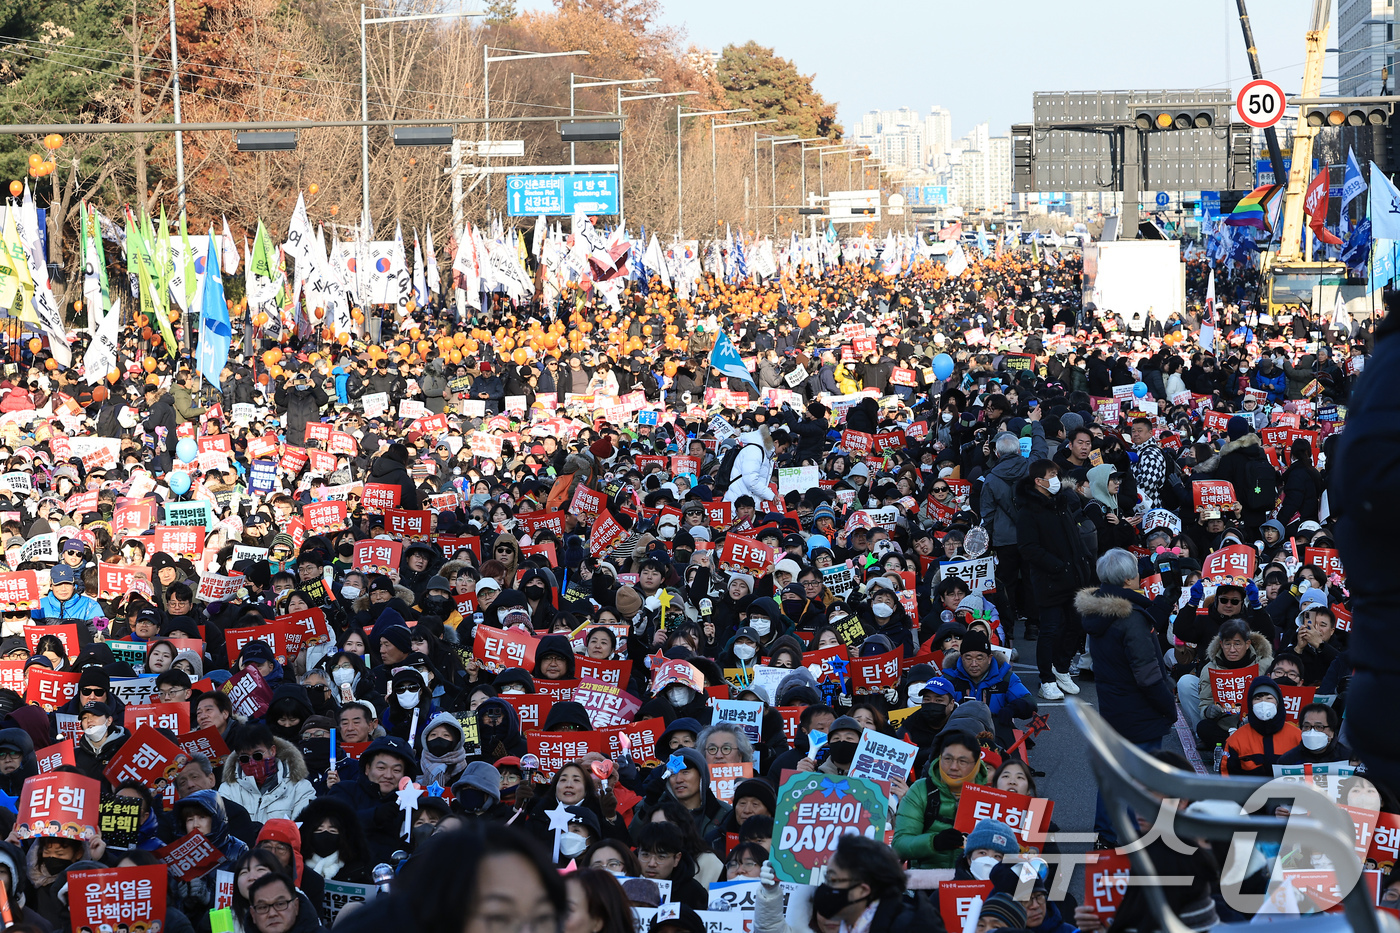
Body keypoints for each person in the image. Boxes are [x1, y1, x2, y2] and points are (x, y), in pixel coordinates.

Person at [1016, 459, 1092, 699]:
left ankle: (1061, 670)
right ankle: (1046, 679)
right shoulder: (1028, 510)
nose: (1056, 479)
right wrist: (1057, 566)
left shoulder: (1062, 503)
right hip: (1050, 580)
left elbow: (1075, 537)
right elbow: (1028, 548)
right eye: (1051, 475)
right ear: (1038, 480)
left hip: (1074, 577)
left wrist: (1084, 563)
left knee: (1074, 626)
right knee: (1049, 629)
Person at [893, 730, 991, 869]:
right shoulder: (921, 790)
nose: (953, 767)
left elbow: (1014, 854)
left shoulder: (991, 796)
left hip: (975, 884)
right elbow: (899, 845)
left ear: (976, 764)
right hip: (924, 882)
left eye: (962, 761)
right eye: (947, 759)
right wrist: (934, 842)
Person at [804, 834, 938, 933]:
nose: (825, 887)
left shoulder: (909, 928)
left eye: (832, 880)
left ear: (862, 890)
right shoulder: (851, 926)